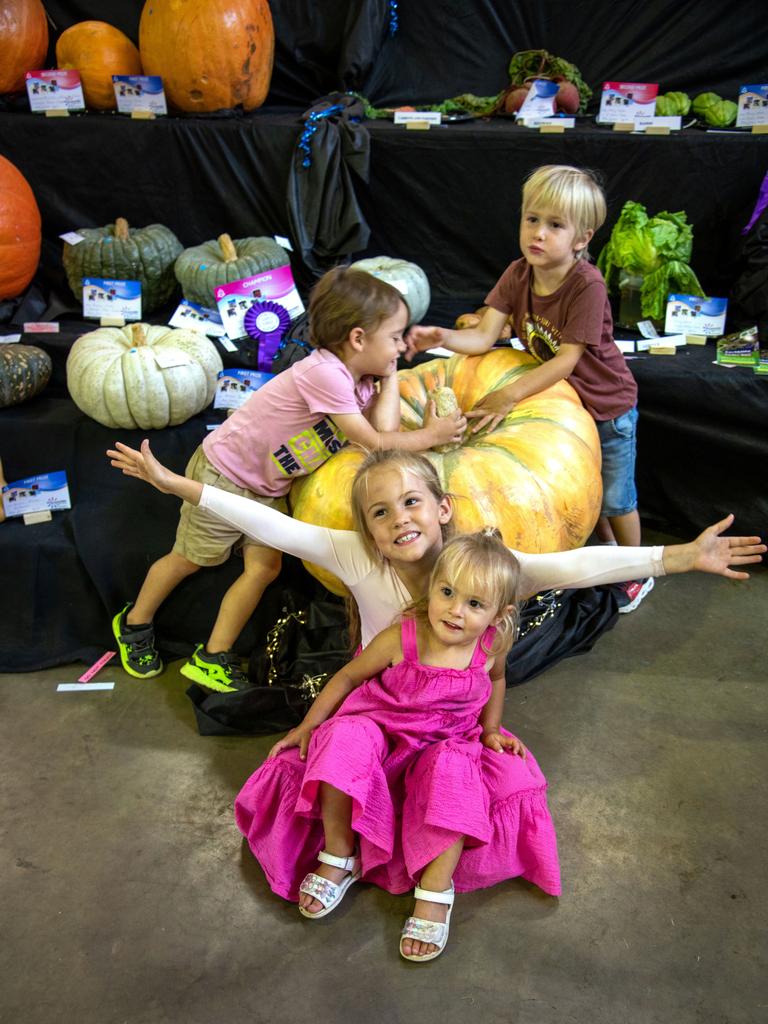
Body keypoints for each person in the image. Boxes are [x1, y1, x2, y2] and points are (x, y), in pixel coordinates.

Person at [111, 268, 466, 691]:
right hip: (226, 473)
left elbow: (383, 439)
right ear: (357, 339)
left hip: (265, 487)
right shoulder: (326, 373)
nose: (402, 345)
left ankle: (212, 656)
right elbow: (373, 440)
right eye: (394, 336)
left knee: (264, 567)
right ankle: (134, 623)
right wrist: (432, 436)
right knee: (192, 558)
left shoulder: (362, 379)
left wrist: (389, 375)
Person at [247, 529, 557, 962]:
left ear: (498, 615)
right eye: (447, 592)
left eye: (474, 604)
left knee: (455, 774)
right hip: (382, 729)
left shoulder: (490, 648)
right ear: (432, 588)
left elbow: (497, 682)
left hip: (447, 741)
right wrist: (308, 725)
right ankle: (339, 852)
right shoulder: (402, 638)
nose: (455, 610)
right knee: (341, 739)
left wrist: (491, 729)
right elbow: (350, 677)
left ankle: (435, 885)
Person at [406, 165, 652, 609]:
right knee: (587, 494)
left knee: (617, 499)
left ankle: (639, 569)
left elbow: (566, 359)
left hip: (605, 406)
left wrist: (508, 395)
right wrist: (442, 336)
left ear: (582, 238)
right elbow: (483, 337)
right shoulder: (518, 274)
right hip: (562, 403)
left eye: (555, 225)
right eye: (532, 220)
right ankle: (611, 557)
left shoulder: (586, 285)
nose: (538, 233)